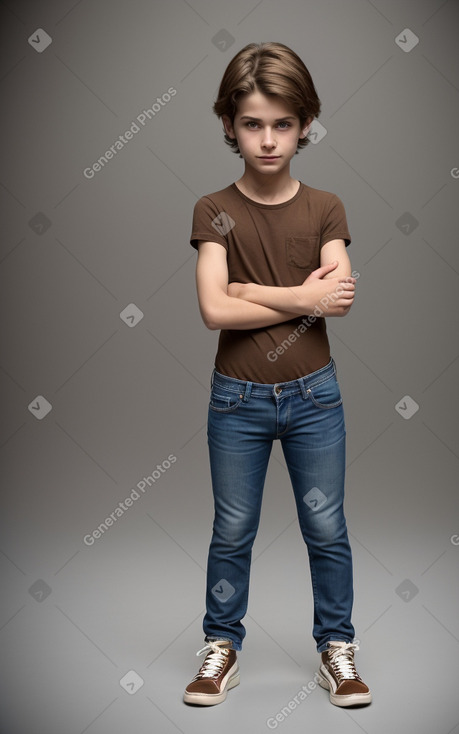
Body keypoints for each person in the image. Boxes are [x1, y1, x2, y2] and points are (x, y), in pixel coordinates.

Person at [183, 41, 371, 709]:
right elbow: (212, 310)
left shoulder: (325, 207)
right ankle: (221, 647)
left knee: (326, 528)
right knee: (232, 528)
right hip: (235, 401)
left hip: (314, 398)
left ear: (305, 123)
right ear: (229, 125)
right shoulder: (213, 209)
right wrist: (299, 296)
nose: (267, 139)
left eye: (282, 123)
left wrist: (248, 289)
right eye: (252, 123)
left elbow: (339, 296)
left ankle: (336, 651)